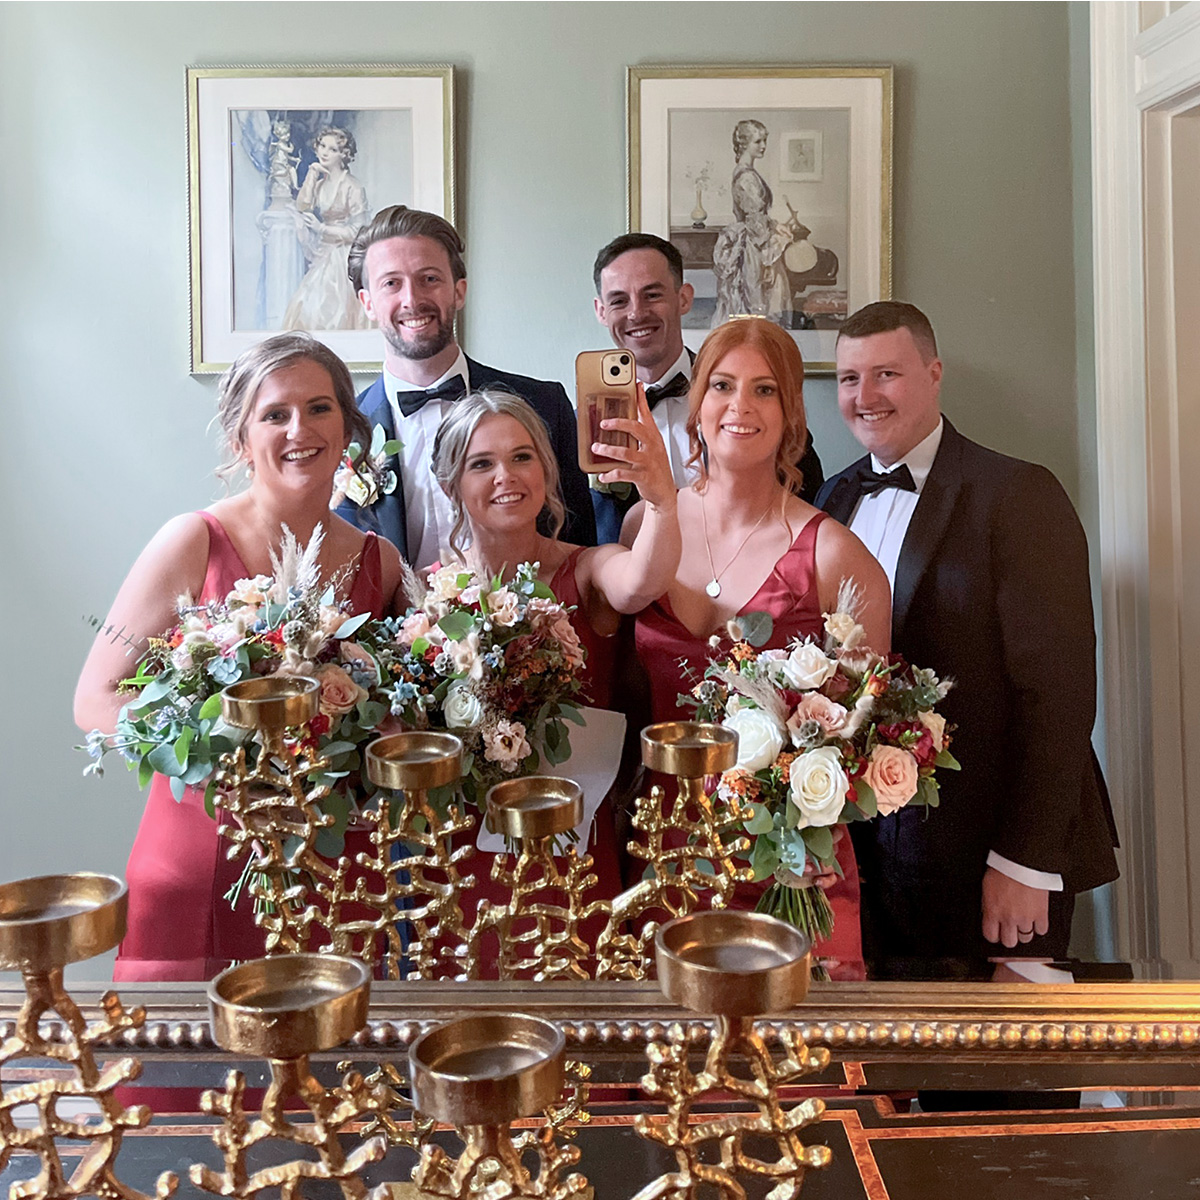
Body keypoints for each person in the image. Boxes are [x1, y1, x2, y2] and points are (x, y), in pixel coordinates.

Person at [74, 333, 407, 981]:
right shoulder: (193, 540)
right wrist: (219, 759)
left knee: (320, 1076)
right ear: (240, 439)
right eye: (274, 414)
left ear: (348, 427)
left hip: (326, 869)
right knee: (179, 1074)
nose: (299, 429)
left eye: (319, 409)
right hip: (198, 858)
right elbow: (94, 698)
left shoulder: (380, 563)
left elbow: (390, 712)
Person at [817, 301, 1119, 970]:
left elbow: (1061, 695)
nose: (864, 397)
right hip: (874, 857)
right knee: (893, 1067)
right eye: (847, 379)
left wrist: (1025, 863)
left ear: (934, 373)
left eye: (886, 373)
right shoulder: (830, 501)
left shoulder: (1017, 494)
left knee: (1000, 1068)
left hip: (991, 852)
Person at [631, 316, 890, 970]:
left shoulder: (835, 555)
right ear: (697, 405)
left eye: (764, 389)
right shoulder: (647, 522)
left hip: (788, 864)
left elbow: (862, 736)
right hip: (662, 847)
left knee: (793, 1066)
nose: (740, 406)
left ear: (792, 411)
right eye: (721, 385)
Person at [431, 386, 680, 951]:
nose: (506, 476)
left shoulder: (588, 569)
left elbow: (643, 580)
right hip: (467, 853)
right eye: (481, 463)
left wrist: (662, 501)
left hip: (575, 845)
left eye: (523, 457)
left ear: (546, 470)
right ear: (453, 484)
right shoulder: (428, 595)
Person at [340, 205, 595, 570]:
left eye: (429, 279)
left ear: (459, 291)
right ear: (367, 302)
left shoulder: (544, 405)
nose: (412, 299)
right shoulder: (342, 431)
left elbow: (578, 548)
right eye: (391, 283)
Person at [592, 232, 824, 543]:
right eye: (619, 300)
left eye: (652, 295)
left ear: (684, 298)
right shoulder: (585, 425)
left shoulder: (754, 408)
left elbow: (806, 516)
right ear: (601, 311)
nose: (636, 313)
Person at [711, 120, 805, 328]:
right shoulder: (745, 177)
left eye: (764, 141)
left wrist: (774, 225)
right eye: (758, 141)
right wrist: (771, 245)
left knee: (761, 301)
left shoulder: (748, 173)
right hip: (753, 245)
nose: (763, 146)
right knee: (757, 300)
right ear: (744, 144)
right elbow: (753, 218)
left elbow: (757, 214)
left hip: (755, 236)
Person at [282, 127, 371, 332]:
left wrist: (321, 228)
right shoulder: (321, 184)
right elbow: (302, 206)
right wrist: (312, 174)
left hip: (343, 256)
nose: (324, 152)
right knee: (305, 305)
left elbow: (359, 231)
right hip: (323, 252)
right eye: (322, 146)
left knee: (334, 309)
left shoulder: (353, 187)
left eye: (332, 149)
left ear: (343, 155)